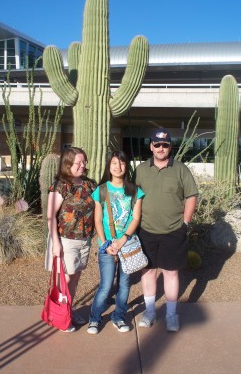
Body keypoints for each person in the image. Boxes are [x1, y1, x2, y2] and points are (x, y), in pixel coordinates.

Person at [135, 129, 198, 332]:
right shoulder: (141, 170)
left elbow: (191, 196)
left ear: (170, 147)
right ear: (151, 146)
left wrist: (185, 223)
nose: (161, 148)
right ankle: (150, 311)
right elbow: (133, 197)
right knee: (149, 271)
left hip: (173, 230)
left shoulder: (181, 169)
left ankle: (171, 314)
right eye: (157, 144)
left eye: (165, 145)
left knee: (171, 273)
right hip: (146, 229)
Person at [87, 150, 145, 335]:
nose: (117, 166)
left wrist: (122, 240)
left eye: (121, 162)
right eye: (114, 163)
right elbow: (97, 220)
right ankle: (94, 318)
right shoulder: (101, 190)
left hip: (127, 243)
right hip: (107, 244)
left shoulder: (135, 190)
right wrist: (105, 243)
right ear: (109, 166)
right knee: (105, 285)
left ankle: (119, 317)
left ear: (126, 166)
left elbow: (135, 218)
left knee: (124, 285)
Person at [46, 146, 96, 332]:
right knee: (65, 280)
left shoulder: (89, 185)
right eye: (78, 163)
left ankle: (67, 310)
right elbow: (51, 216)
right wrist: (55, 243)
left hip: (85, 239)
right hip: (66, 240)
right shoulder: (60, 186)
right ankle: (61, 317)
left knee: (75, 278)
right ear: (68, 164)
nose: (83, 165)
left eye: (84, 162)